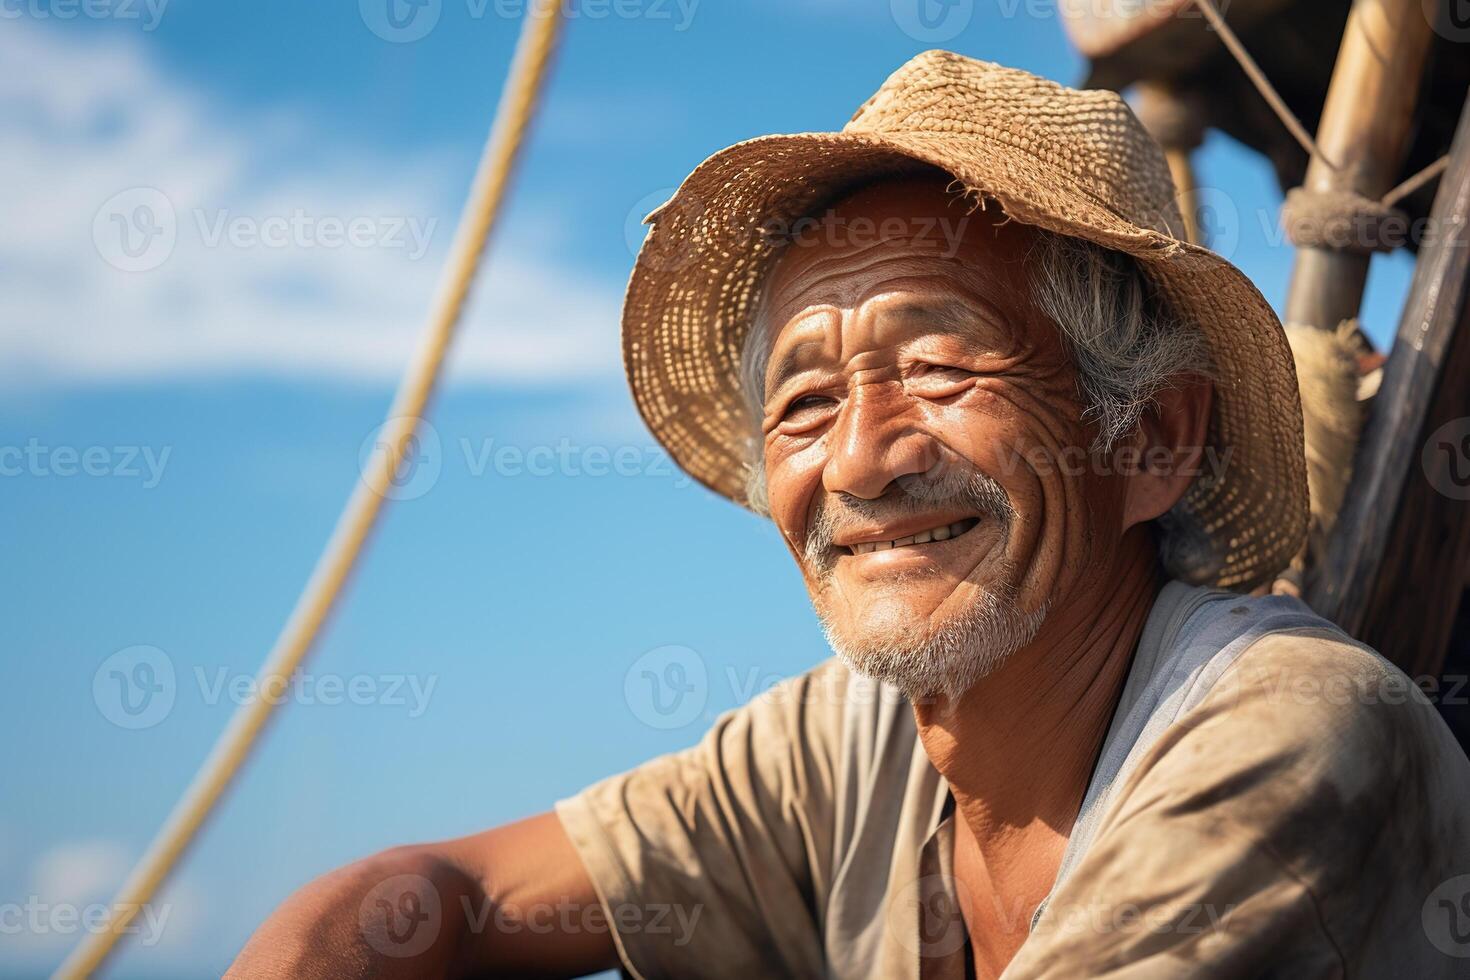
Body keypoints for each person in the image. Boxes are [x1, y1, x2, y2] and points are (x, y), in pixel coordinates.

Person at [228, 51, 1470, 979]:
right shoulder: (852, 744)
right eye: (806, 399)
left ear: (1148, 436)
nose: (861, 462)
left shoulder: (1286, 738)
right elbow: (439, 893)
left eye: (942, 369)